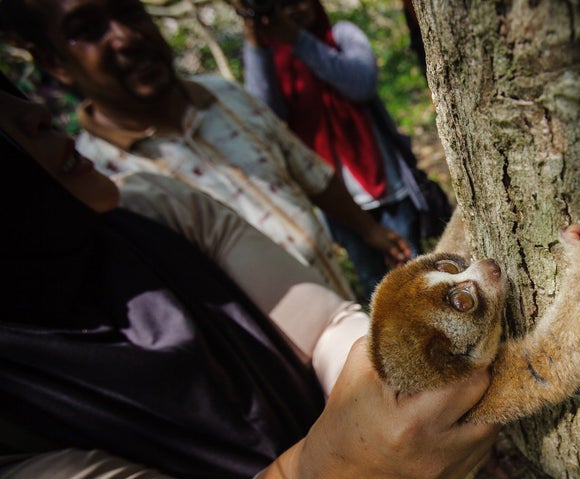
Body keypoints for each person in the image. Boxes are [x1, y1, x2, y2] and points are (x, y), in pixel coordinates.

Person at [0, 74, 498, 479]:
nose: (31, 114)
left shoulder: (152, 208)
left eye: (9, 90)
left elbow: (325, 330)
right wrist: (339, 470)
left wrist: (411, 401)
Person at [0, 0, 413, 303]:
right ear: (54, 62)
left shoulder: (225, 95)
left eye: (128, 12)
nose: (125, 37)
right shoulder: (98, 181)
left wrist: (371, 230)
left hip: (340, 306)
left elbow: (311, 173)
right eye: (88, 30)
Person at [241, 0, 433, 301]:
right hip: (340, 205)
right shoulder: (273, 61)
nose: (293, 9)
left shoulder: (342, 35)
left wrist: (300, 42)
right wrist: (255, 44)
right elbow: (263, 114)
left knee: (418, 276)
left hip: (388, 189)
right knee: (375, 285)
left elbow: (360, 83)